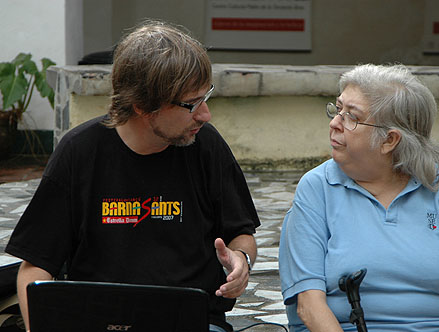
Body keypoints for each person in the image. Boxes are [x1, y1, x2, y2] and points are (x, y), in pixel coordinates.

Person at [6, 21, 260, 332]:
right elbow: (34, 267)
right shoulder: (79, 152)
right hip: (100, 323)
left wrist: (241, 261)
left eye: (206, 97)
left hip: (194, 322)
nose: (205, 115)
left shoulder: (206, 145)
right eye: (191, 104)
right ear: (143, 106)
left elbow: (241, 234)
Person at [279, 64, 439, 331]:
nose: (335, 123)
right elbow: (309, 305)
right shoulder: (317, 187)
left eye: (351, 117)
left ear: (389, 140)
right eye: (338, 110)